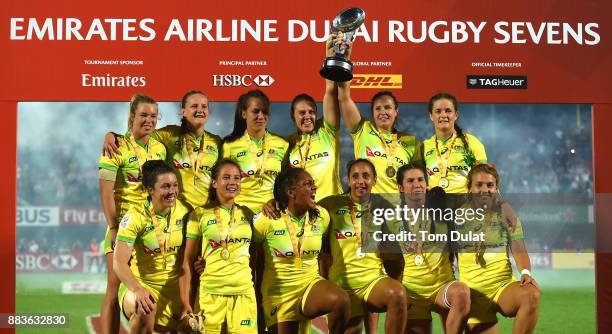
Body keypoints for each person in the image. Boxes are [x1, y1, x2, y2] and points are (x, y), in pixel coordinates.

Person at [98, 94, 166, 334]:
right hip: (123, 226)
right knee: (114, 289)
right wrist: (113, 227)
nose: (149, 120)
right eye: (143, 115)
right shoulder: (115, 146)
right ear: (132, 117)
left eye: (153, 116)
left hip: (150, 228)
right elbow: (105, 192)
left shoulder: (160, 147)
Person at [253, 168, 350, 334]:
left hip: (309, 287)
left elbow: (325, 254)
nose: (314, 187)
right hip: (279, 295)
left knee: (341, 300)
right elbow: (252, 261)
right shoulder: (265, 220)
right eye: (307, 184)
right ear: (291, 192)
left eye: (313, 183)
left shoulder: (322, 216)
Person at [319, 159, 408, 334]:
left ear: (374, 180)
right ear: (349, 181)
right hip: (341, 286)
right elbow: (300, 215)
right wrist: (276, 203)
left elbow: (396, 254)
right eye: (355, 176)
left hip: (373, 281)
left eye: (366, 176)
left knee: (398, 294)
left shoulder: (384, 206)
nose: (361, 181)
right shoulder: (330, 204)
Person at [104, 90, 222, 209]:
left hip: (206, 214)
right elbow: (138, 135)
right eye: (194, 106)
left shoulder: (216, 142)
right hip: (176, 215)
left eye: (204, 106)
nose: (200, 110)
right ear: (183, 111)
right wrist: (112, 135)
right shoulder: (168, 134)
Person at [457, 164, 540, 333]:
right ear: (469, 188)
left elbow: (519, 249)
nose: (484, 190)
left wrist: (525, 273)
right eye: (479, 185)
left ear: (497, 188)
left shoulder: (507, 214)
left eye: (490, 185)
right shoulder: (456, 216)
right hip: (472, 295)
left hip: (502, 288)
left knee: (532, 295)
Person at [179, 159, 258, 333]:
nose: (233, 182)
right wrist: (186, 302)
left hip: (243, 294)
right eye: (227, 177)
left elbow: (254, 257)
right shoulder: (199, 214)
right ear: (214, 182)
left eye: (237, 178)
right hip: (210, 295)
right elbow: (187, 261)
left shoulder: (249, 214)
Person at [113, 160, 191, 333]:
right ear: (150, 190)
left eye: (174, 185)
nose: (172, 191)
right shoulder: (135, 216)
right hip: (141, 284)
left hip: (175, 290)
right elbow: (118, 261)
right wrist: (137, 289)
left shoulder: (186, 212)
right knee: (145, 307)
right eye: (165, 186)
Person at [395, 163, 470, 334]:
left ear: (427, 183)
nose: (417, 184)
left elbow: (474, 201)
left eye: (421, 179)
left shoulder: (442, 209)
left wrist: (502, 204)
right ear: (400, 187)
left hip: (442, 288)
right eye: (410, 181)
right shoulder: (392, 218)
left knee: (461, 292)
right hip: (412, 293)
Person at [337, 58, 421, 194]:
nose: (383, 112)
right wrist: (343, 65)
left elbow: (418, 179)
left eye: (387, 108)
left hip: (396, 210)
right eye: (378, 109)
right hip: (367, 206)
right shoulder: (363, 130)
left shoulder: (411, 142)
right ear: (373, 112)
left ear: (396, 111)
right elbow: (344, 98)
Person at [222, 89, 289, 213]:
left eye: (265, 112)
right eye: (255, 111)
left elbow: (285, 184)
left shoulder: (282, 144)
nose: (261, 116)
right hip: (239, 212)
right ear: (244, 114)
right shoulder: (229, 145)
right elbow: (222, 185)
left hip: (272, 211)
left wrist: (278, 201)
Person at [423, 93, 487, 193]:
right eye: (438, 111)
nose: (443, 115)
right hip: (435, 207)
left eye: (448, 111)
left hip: (466, 206)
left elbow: (484, 179)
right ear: (431, 116)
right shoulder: (424, 146)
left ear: (456, 115)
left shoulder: (472, 142)